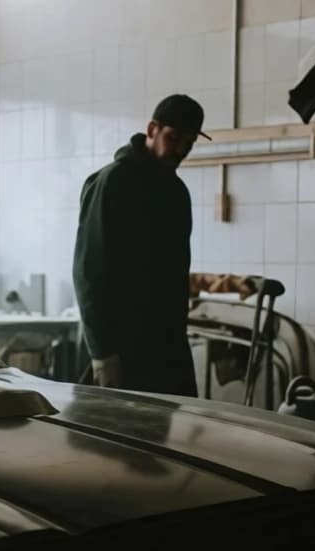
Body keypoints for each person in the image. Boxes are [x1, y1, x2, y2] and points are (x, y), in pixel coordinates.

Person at [73, 94, 211, 396]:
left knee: (162, 438)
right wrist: (101, 353)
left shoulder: (176, 193)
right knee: (113, 439)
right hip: (120, 348)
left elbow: (176, 275)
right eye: (174, 138)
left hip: (166, 347)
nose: (181, 150)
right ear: (152, 130)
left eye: (189, 143)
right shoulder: (113, 183)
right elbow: (88, 272)